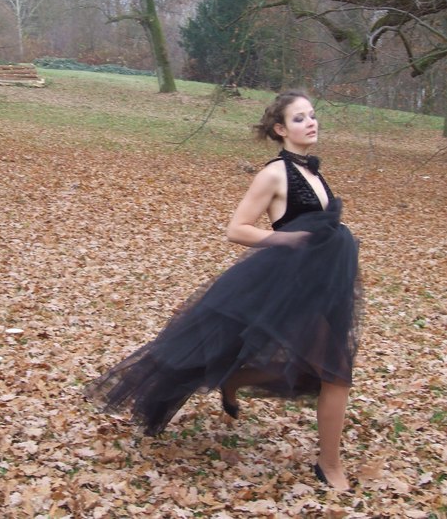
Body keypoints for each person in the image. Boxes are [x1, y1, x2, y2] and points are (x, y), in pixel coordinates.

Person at [85, 89, 362, 492]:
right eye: (299, 118)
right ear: (280, 129)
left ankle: (234, 381)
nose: (310, 122)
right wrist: (286, 239)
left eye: (312, 115)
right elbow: (237, 229)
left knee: (316, 370)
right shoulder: (275, 173)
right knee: (336, 374)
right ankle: (329, 465)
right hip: (290, 284)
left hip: (321, 283)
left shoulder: (313, 172)